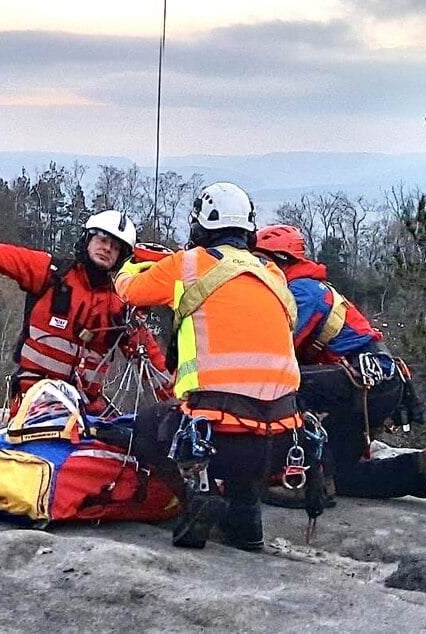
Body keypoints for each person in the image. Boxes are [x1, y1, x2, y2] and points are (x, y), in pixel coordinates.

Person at [114, 182, 322, 551]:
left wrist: (128, 264)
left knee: (147, 426)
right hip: (283, 443)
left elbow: (130, 290)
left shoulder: (186, 264)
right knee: (248, 434)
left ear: (200, 226)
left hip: (218, 439)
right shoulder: (272, 273)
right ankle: (245, 521)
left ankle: (199, 497)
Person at [253, 224, 426, 512]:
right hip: (377, 382)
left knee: (286, 385)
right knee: (344, 474)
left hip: (365, 381)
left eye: (260, 260)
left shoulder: (300, 292)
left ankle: (311, 483)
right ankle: (421, 467)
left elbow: (276, 352)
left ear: (281, 260)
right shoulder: (306, 287)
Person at [0, 209, 171, 418]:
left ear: (122, 257)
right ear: (87, 240)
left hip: (86, 408)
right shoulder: (51, 273)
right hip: (35, 399)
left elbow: (155, 365)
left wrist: (183, 406)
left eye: (115, 247)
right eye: (102, 240)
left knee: (130, 448)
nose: (107, 249)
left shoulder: (121, 306)